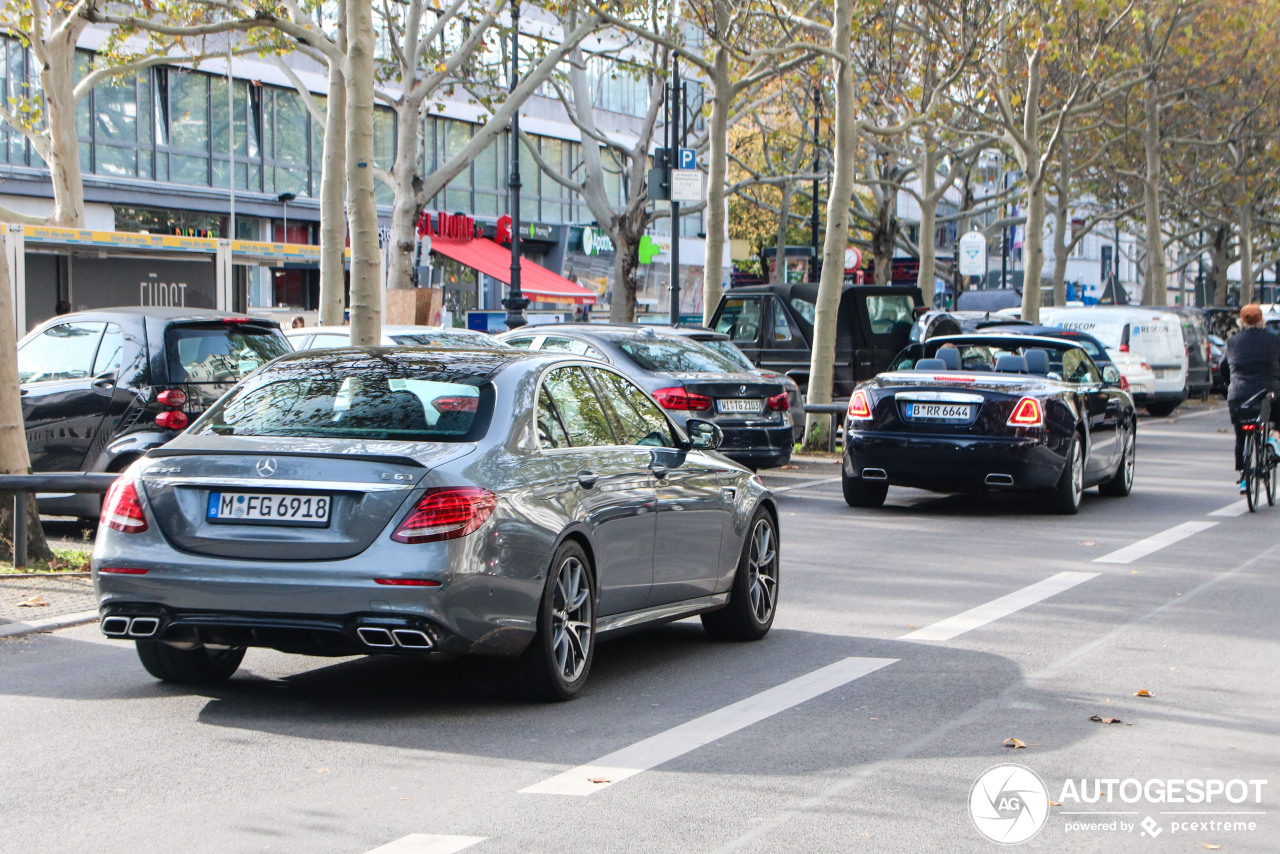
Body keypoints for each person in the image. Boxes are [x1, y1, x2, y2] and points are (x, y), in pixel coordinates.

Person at [1219, 303, 1280, 492]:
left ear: (1241, 322)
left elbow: (1223, 367)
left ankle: (1244, 476)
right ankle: (1273, 439)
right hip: (1267, 393)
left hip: (1239, 395)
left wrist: (1232, 384)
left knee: (1241, 434)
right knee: (1275, 418)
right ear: (1262, 320)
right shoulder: (1274, 340)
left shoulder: (1232, 342)